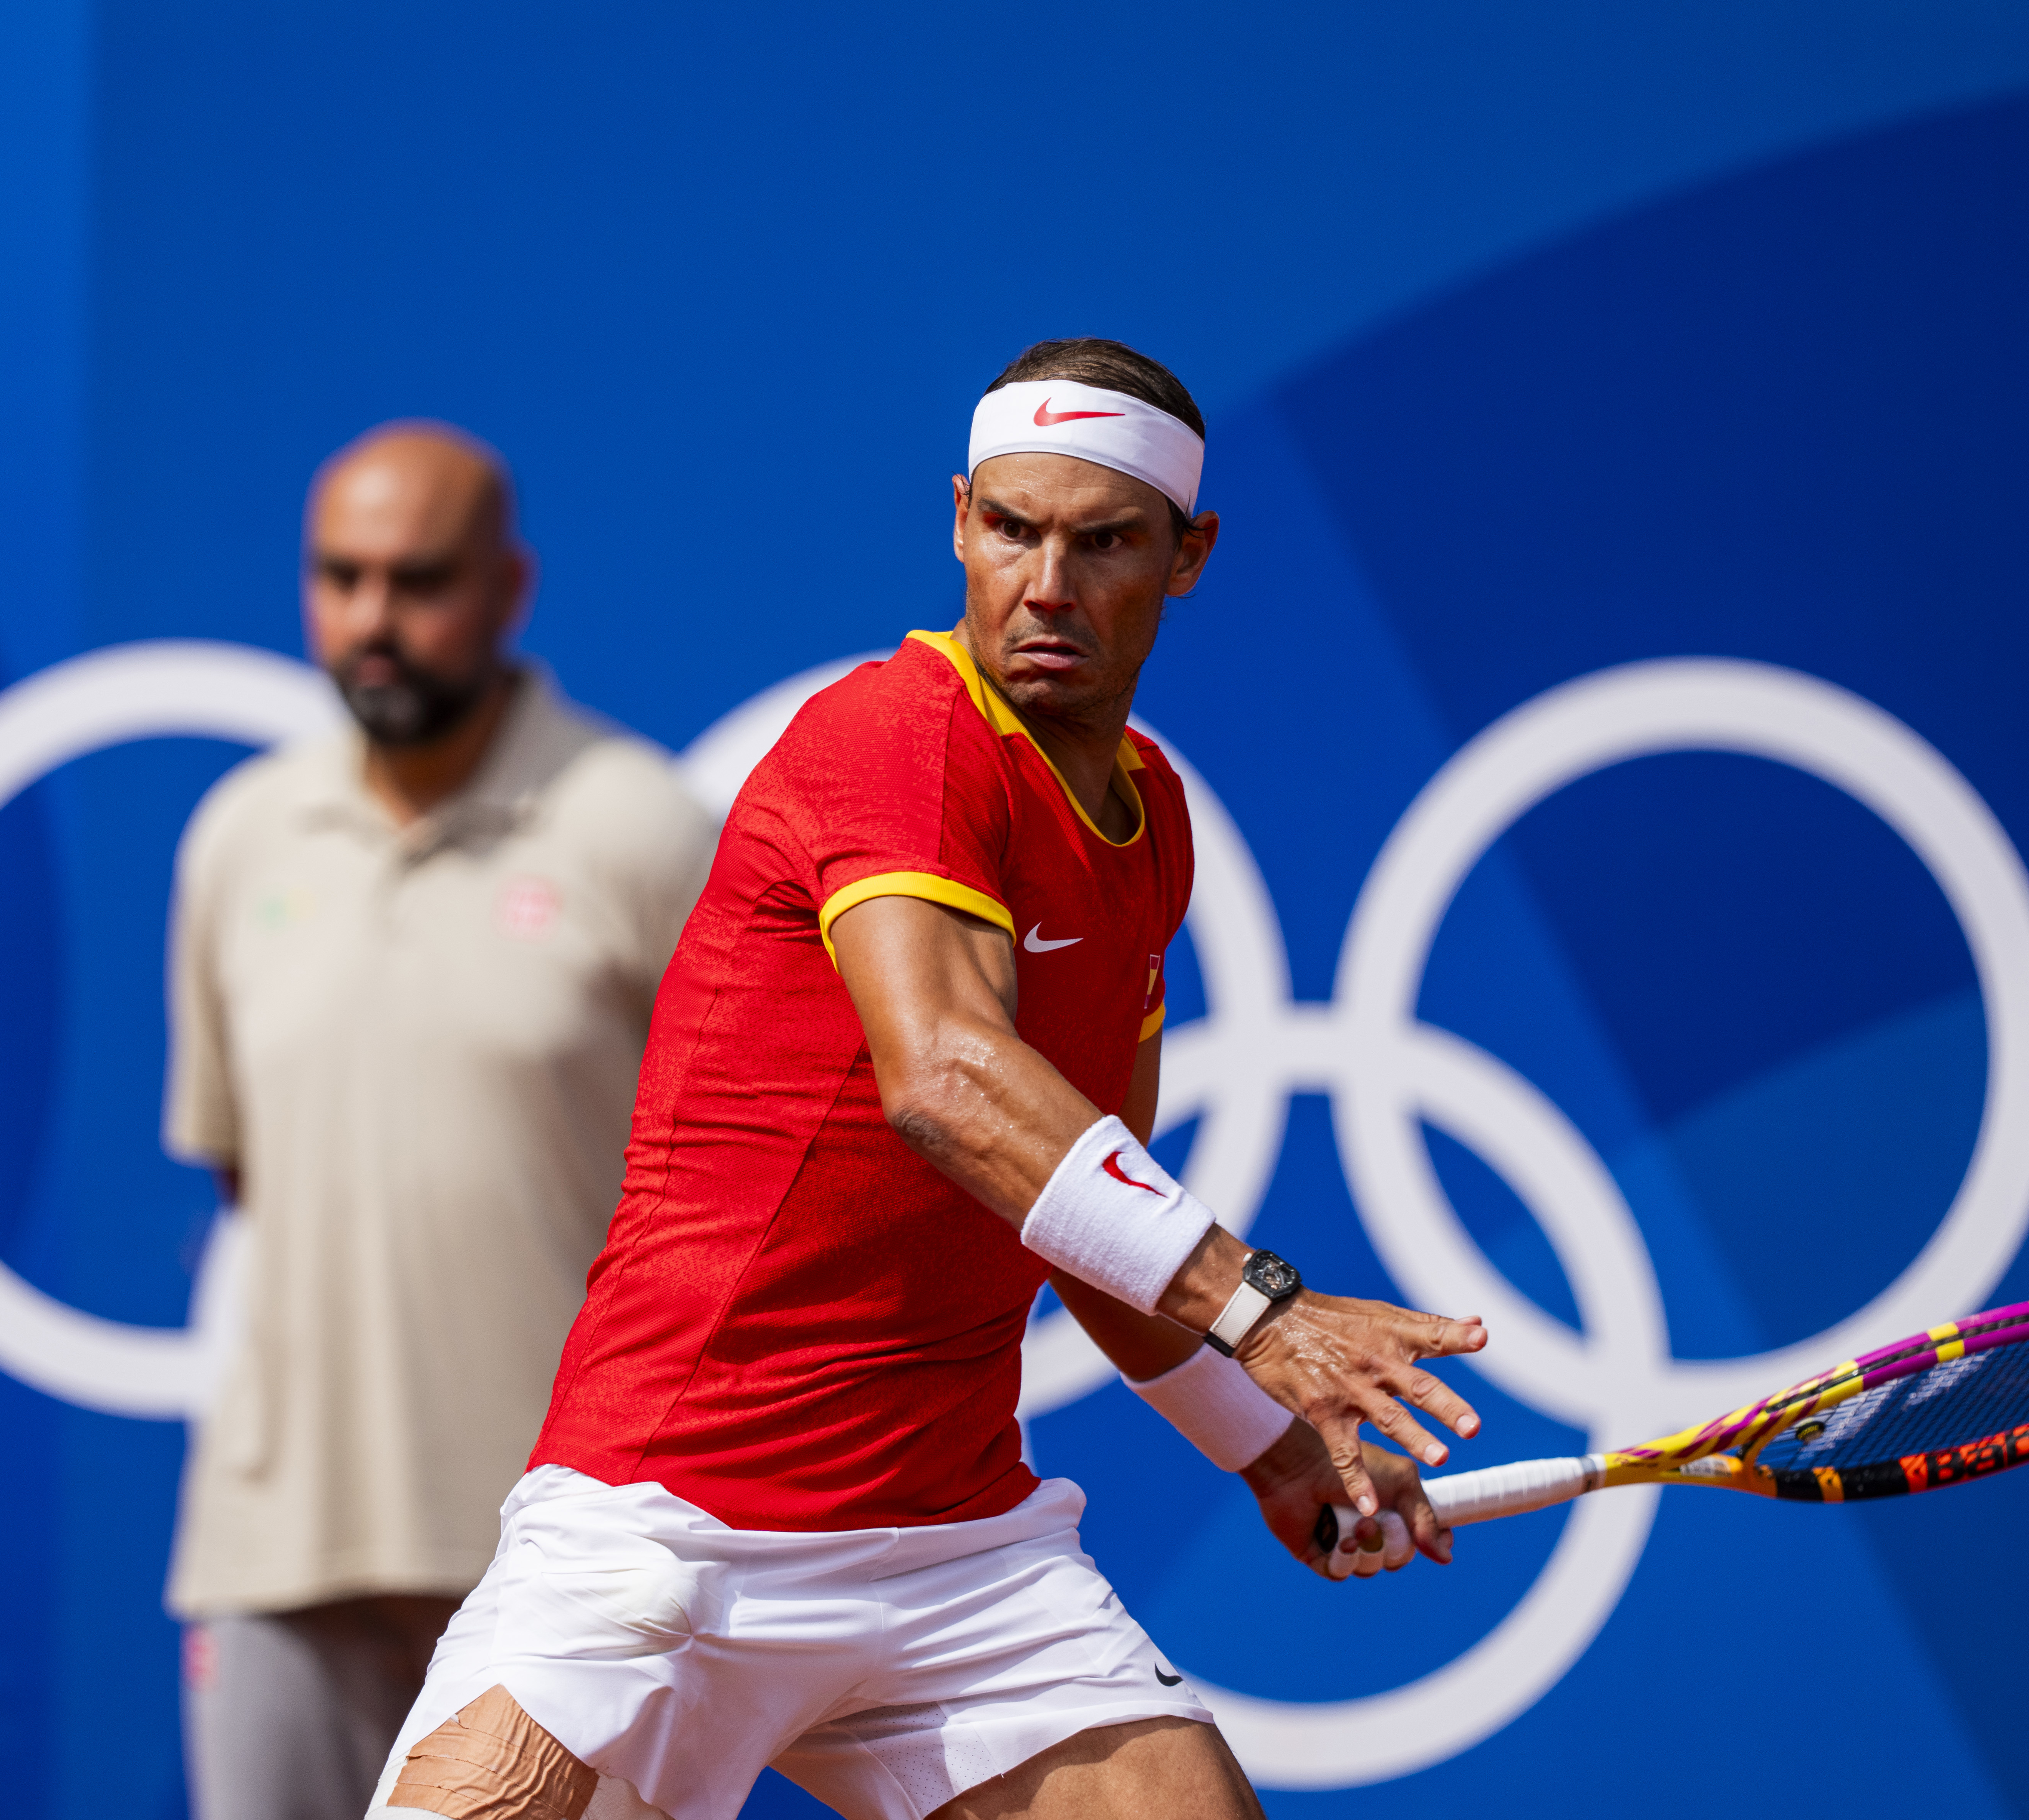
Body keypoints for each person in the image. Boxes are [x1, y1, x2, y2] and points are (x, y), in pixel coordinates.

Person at [361, 341, 1492, 1820]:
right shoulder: (895, 738)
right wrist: (1264, 1315)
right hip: (670, 1529)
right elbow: (949, 1082)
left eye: (1104, 544)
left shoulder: (1147, 823)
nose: (1046, 584)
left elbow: (1087, 1216)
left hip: (951, 1554)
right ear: (960, 519)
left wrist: (1272, 1447)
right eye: (1012, 529)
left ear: (1188, 556)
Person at [162, 423, 719, 1820]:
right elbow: (248, 1181)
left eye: (418, 581)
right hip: (275, 1545)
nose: (372, 621)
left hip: (569, 1557)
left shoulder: (642, 832)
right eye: (339, 577)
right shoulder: (237, 840)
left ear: (509, 586)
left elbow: (736, 1194)